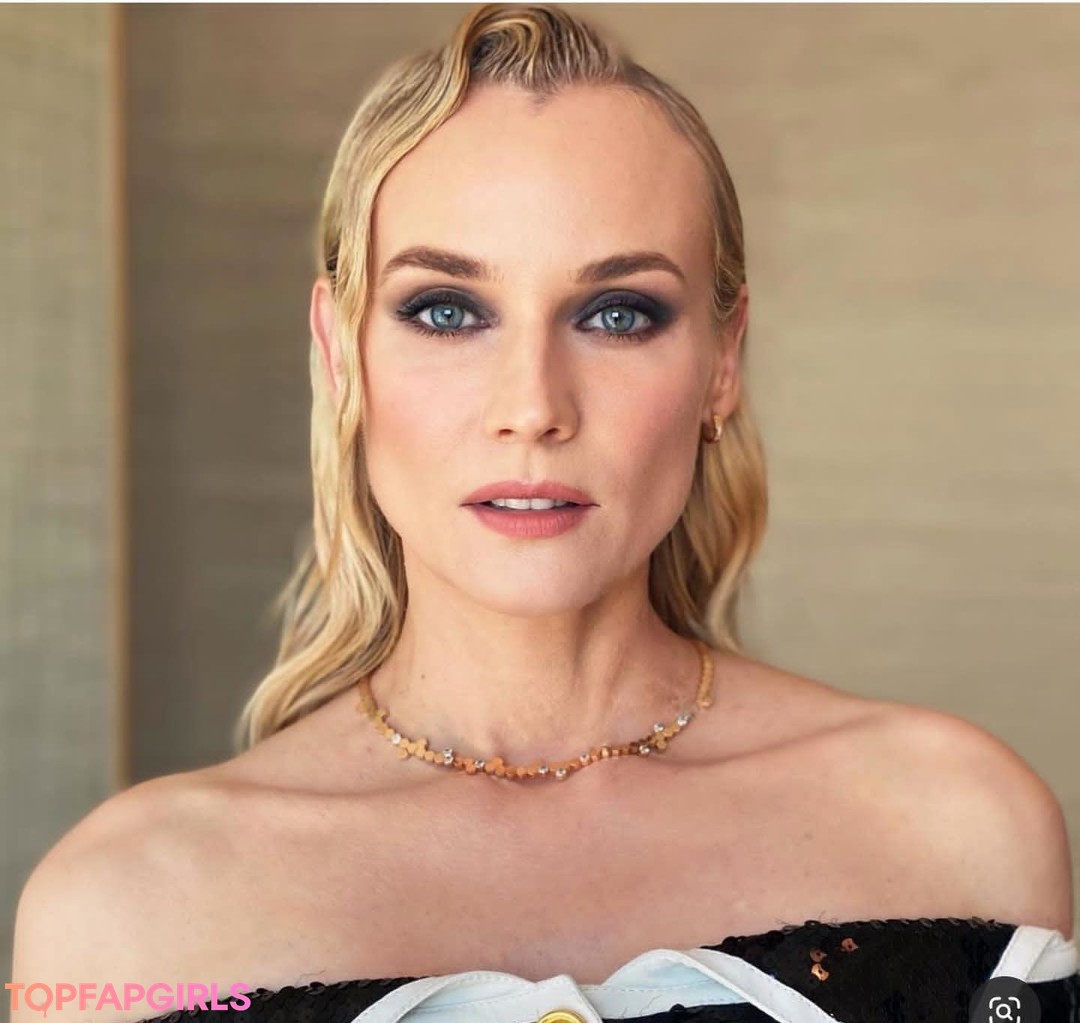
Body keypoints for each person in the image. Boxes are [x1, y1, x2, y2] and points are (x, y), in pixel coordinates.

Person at [10, 4, 1077, 1022]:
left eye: (618, 314)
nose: (532, 406)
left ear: (722, 362)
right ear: (339, 355)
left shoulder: (959, 827)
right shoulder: (121, 911)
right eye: (446, 310)